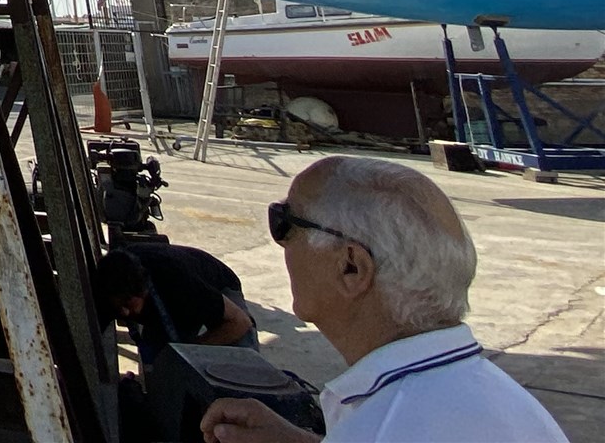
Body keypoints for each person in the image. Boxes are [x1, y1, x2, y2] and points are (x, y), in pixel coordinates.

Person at [200, 156, 567, 443]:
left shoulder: (386, 426)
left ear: (351, 267)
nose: (281, 244)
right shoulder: (488, 396)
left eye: (284, 222)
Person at [98, 243, 255, 367]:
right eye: (117, 308)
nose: (124, 313)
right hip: (169, 299)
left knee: (244, 361)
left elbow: (240, 322)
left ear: (143, 291)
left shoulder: (181, 284)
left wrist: (193, 350)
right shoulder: (108, 283)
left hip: (218, 284)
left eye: (127, 304)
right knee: (162, 364)